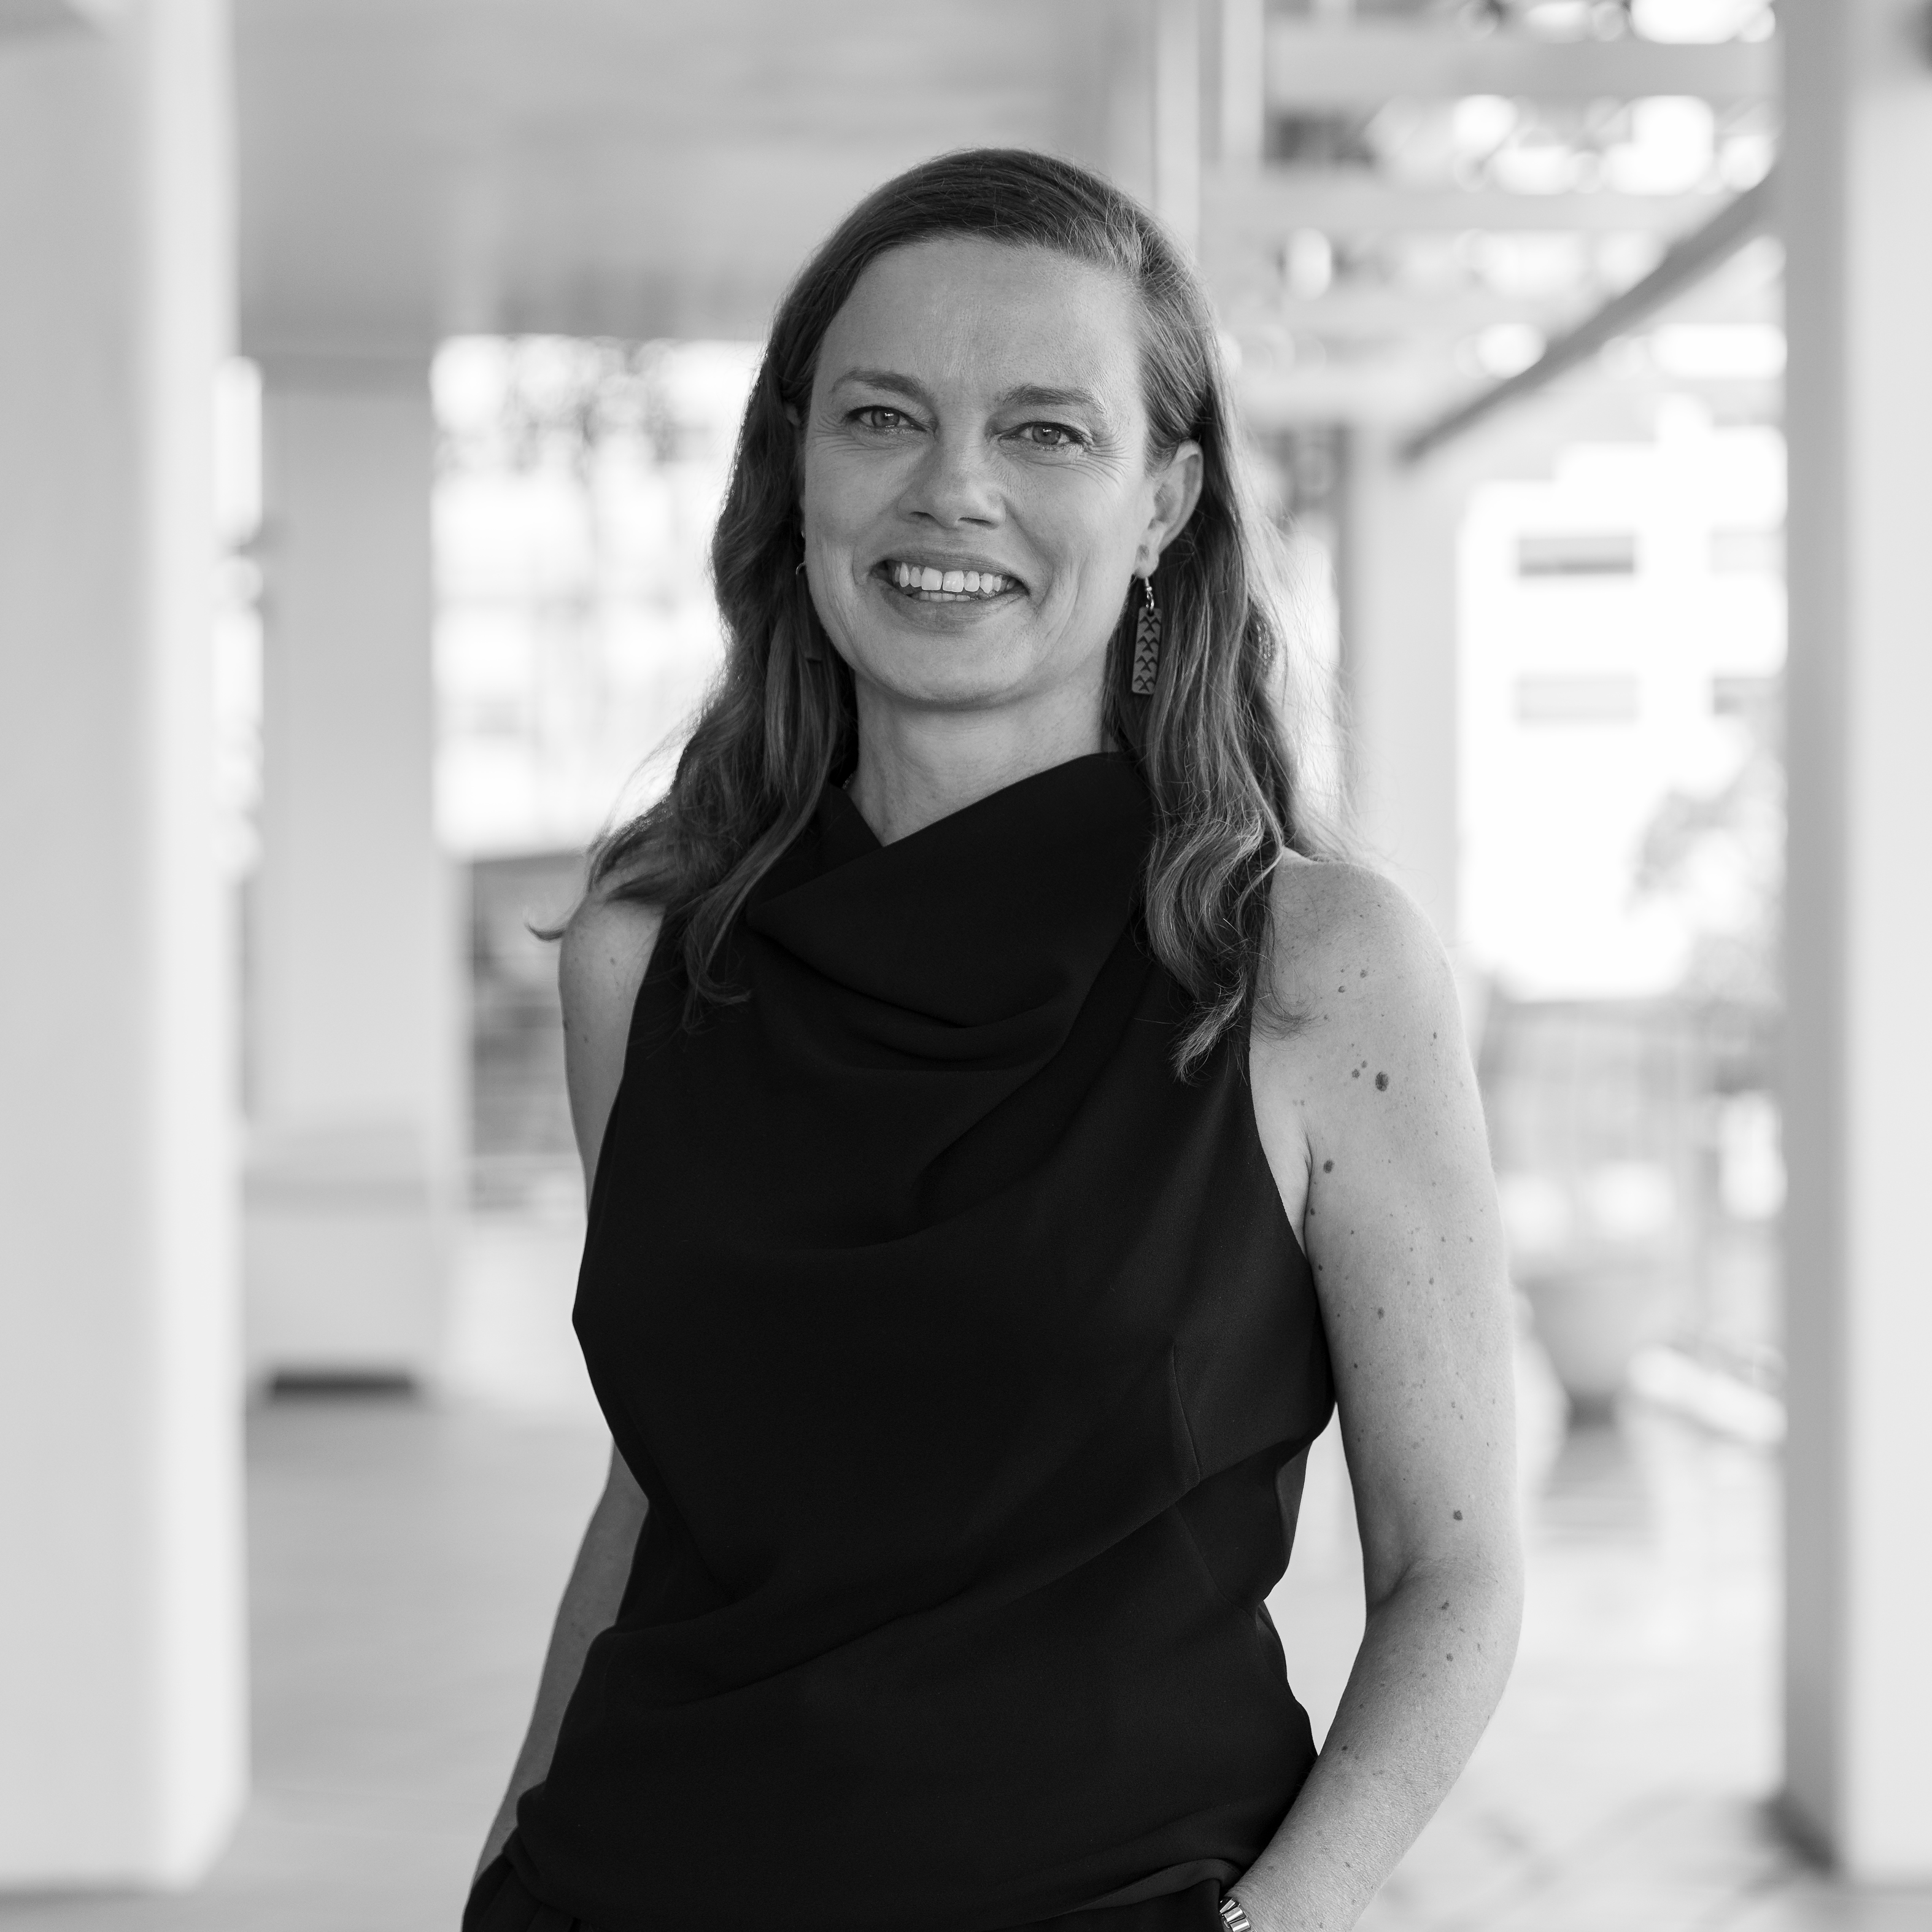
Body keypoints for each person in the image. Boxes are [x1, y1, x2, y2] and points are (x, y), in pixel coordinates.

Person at [467, 148, 1522, 1932]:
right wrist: (501, 1859)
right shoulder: (647, 960)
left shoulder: (1310, 970)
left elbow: (1456, 1569)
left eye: (1045, 430)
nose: (953, 487)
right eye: (882, 417)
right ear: (797, 466)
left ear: (1166, 497)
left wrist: (1264, 1928)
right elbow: (667, 1483)